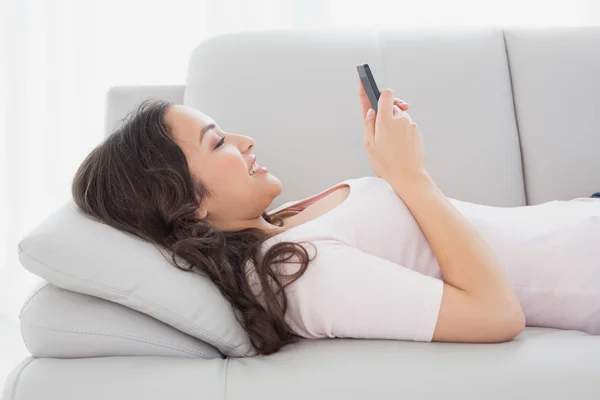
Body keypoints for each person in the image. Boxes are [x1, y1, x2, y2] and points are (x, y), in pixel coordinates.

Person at [72, 78, 600, 356]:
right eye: (218, 142)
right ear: (189, 203)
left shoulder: (277, 225)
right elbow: (496, 316)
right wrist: (410, 176)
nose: (245, 140)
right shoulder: (296, 272)